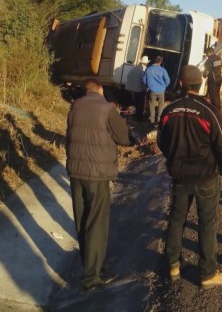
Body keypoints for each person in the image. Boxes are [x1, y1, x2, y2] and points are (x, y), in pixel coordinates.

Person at [158, 65, 222, 290]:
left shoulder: (168, 110)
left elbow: (162, 142)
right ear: (199, 83)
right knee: (207, 222)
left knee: (177, 219)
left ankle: (173, 264)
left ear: (181, 83)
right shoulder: (208, 110)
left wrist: (175, 160)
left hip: (180, 176)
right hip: (206, 176)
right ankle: (208, 272)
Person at [65, 79, 138, 292]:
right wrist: (134, 139)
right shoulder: (107, 109)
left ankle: (93, 264)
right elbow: (124, 137)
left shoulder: (75, 107)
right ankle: (91, 278)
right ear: (101, 90)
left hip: (76, 173)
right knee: (97, 224)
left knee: (82, 221)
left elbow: (69, 138)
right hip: (97, 175)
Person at [143, 55, 170, 124]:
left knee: (152, 105)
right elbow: (167, 80)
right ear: (161, 62)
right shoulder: (163, 70)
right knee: (161, 105)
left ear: (154, 60)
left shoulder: (148, 69)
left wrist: (148, 86)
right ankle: (158, 120)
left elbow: (144, 80)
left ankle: (152, 120)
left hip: (152, 90)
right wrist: (164, 86)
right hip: (161, 91)